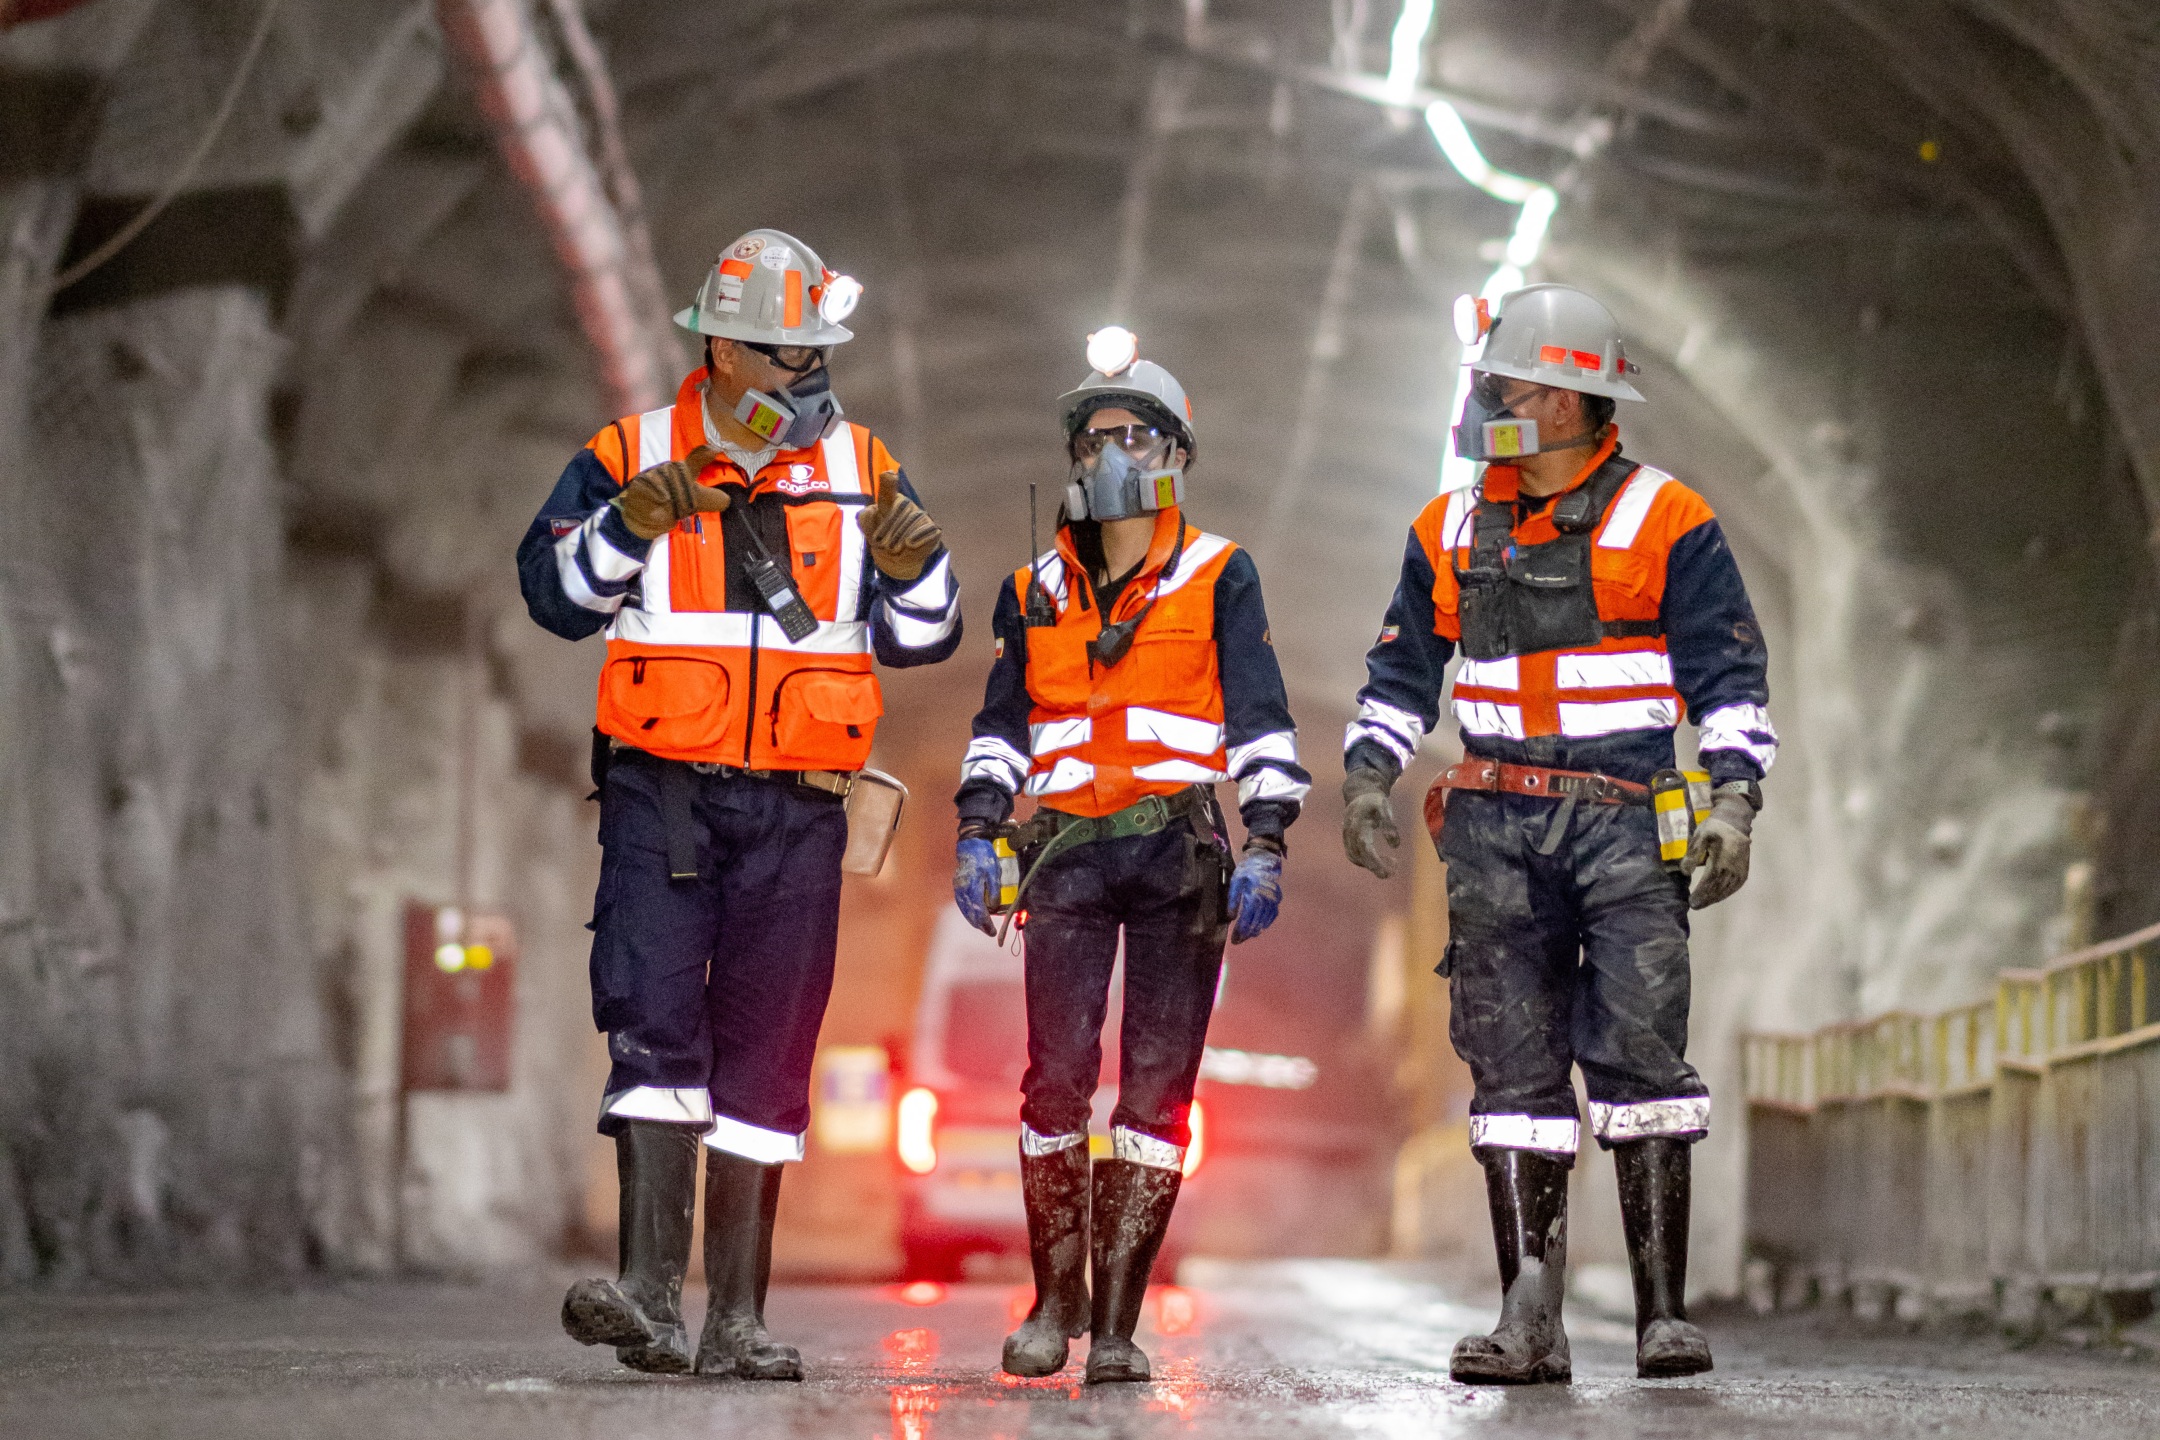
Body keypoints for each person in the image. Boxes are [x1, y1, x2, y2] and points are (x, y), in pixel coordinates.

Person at [516, 228, 962, 1380]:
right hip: (662, 795)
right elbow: (554, 596)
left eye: (811, 354)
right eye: (777, 352)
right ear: (717, 346)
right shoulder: (629, 453)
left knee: (768, 1056)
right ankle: (651, 1302)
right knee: (655, 1023)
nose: (799, 375)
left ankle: (740, 1321)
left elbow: (925, 642)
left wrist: (917, 567)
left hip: (798, 809)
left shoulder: (864, 469)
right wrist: (633, 521)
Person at [1341, 284, 1776, 1383]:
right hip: (1492, 821)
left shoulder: (1668, 519)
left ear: (1582, 399)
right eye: (1492, 383)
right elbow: (1401, 671)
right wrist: (1366, 773)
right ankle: (1529, 1317)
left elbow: (1729, 676)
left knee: (1639, 1053)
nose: (1495, 400)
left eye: (1518, 385)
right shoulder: (1448, 526)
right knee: (1511, 1065)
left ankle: (1661, 1316)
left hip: (1627, 820)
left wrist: (1732, 799)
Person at [951, 328, 1309, 1383]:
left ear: (1178, 456)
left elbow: (1261, 720)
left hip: (1175, 857)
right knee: (1053, 1084)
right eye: (1096, 437)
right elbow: (1000, 725)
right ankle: (1049, 1303)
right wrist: (977, 827)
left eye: (1138, 436)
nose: (1114, 455)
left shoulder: (1217, 575)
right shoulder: (1033, 591)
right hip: (1063, 854)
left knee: (1157, 1094)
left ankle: (1115, 1325)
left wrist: (1269, 840)